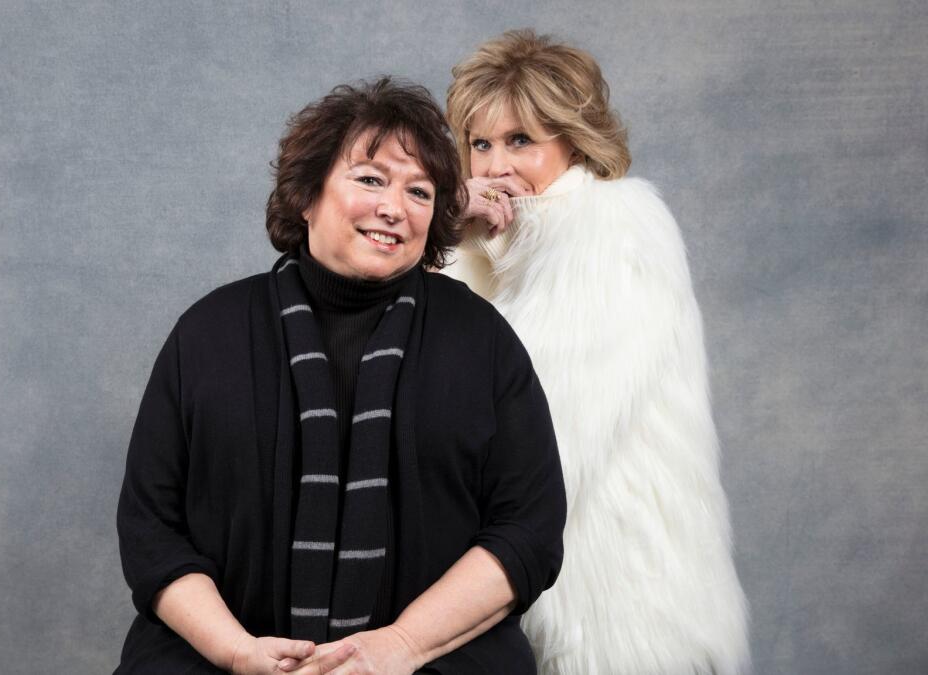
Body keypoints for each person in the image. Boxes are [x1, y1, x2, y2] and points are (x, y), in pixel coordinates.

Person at [115, 77, 566, 674]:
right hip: (216, 661)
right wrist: (237, 651)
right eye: (371, 179)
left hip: (436, 662)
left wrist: (400, 647)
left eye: (421, 192)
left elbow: (529, 529)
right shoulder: (206, 333)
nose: (394, 207)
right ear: (307, 195)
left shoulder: (483, 340)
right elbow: (151, 529)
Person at [442, 30, 750, 675]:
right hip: (531, 607)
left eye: (521, 140)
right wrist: (442, 236)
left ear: (575, 143)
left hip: (622, 620)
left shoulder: (611, 235)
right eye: (480, 144)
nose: (495, 167)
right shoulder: (482, 251)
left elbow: (536, 440)